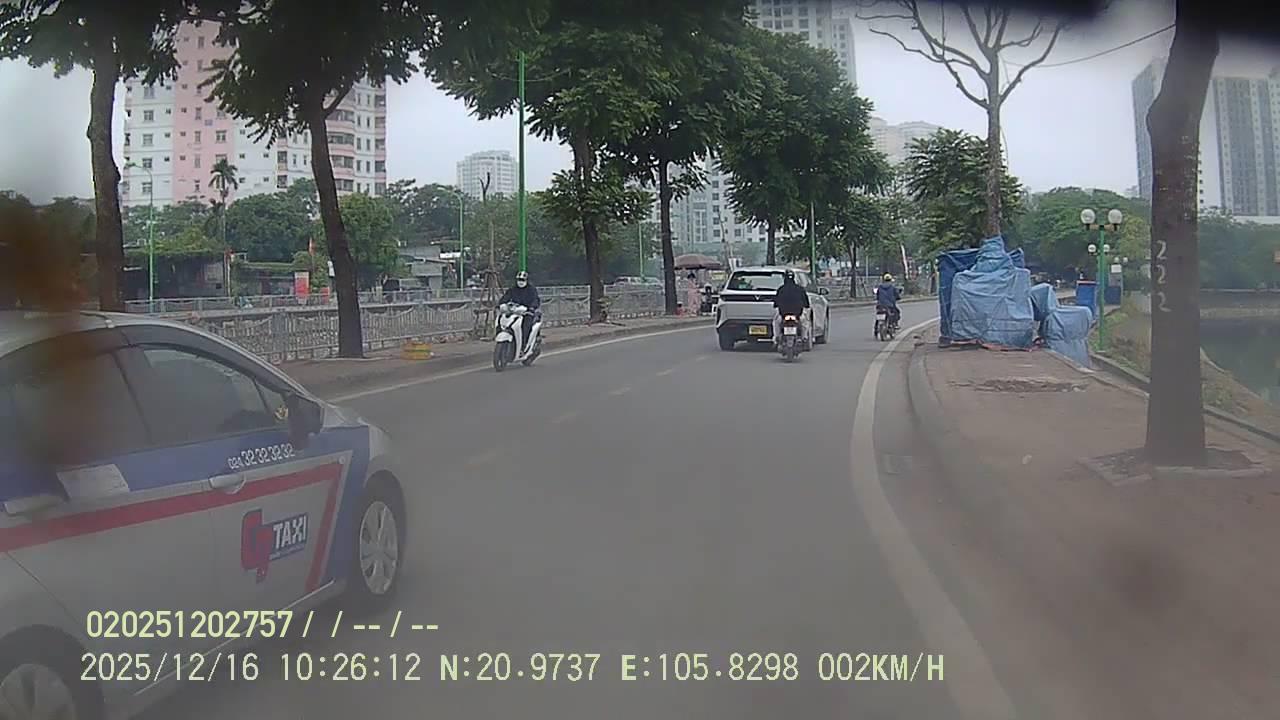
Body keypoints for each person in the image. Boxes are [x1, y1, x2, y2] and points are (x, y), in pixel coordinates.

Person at [500, 271, 541, 350]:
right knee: (502, 320)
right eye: (519, 280)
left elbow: (535, 300)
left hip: (527, 312)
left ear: (526, 280)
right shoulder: (512, 289)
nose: (520, 282)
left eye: (523, 280)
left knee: (525, 326)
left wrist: (531, 307)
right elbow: (505, 297)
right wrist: (502, 304)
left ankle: (524, 345)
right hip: (514, 312)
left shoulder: (531, 290)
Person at [772, 269, 811, 347]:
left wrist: (777, 306)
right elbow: (806, 303)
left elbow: (775, 303)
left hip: (783, 314)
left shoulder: (781, 289)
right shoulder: (800, 289)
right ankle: (804, 337)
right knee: (805, 322)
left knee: (776, 322)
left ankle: (776, 338)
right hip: (798, 314)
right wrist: (805, 306)